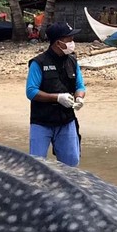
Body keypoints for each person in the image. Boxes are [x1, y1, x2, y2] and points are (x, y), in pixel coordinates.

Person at [25, 22, 86, 167]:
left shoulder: (72, 61)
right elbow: (31, 91)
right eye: (69, 40)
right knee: (36, 164)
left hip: (66, 120)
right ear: (58, 43)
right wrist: (57, 98)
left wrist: (79, 97)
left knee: (71, 163)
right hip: (42, 121)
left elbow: (80, 85)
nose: (72, 43)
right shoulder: (38, 63)